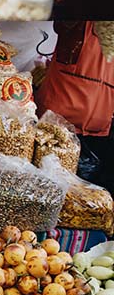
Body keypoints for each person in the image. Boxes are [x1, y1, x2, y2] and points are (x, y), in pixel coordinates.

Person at [35, 21, 114, 194]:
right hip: (57, 124)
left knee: (81, 203)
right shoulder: (77, 24)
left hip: (98, 131)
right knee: (46, 191)